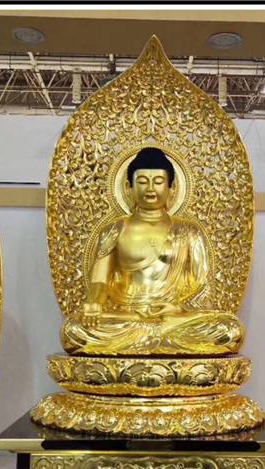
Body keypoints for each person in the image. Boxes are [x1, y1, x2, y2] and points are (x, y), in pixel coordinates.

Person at [62, 147, 244, 355]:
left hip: (172, 319)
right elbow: (99, 282)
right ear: (129, 187)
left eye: (158, 181)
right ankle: (157, 340)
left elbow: (204, 289)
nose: (150, 188)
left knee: (230, 330)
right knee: (73, 331)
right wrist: (94, 303)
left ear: (171, 188)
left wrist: (179, 309)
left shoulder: (190, 232)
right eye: (142, 182)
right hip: (128, 317)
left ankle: (148, 339)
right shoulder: (114, 229)